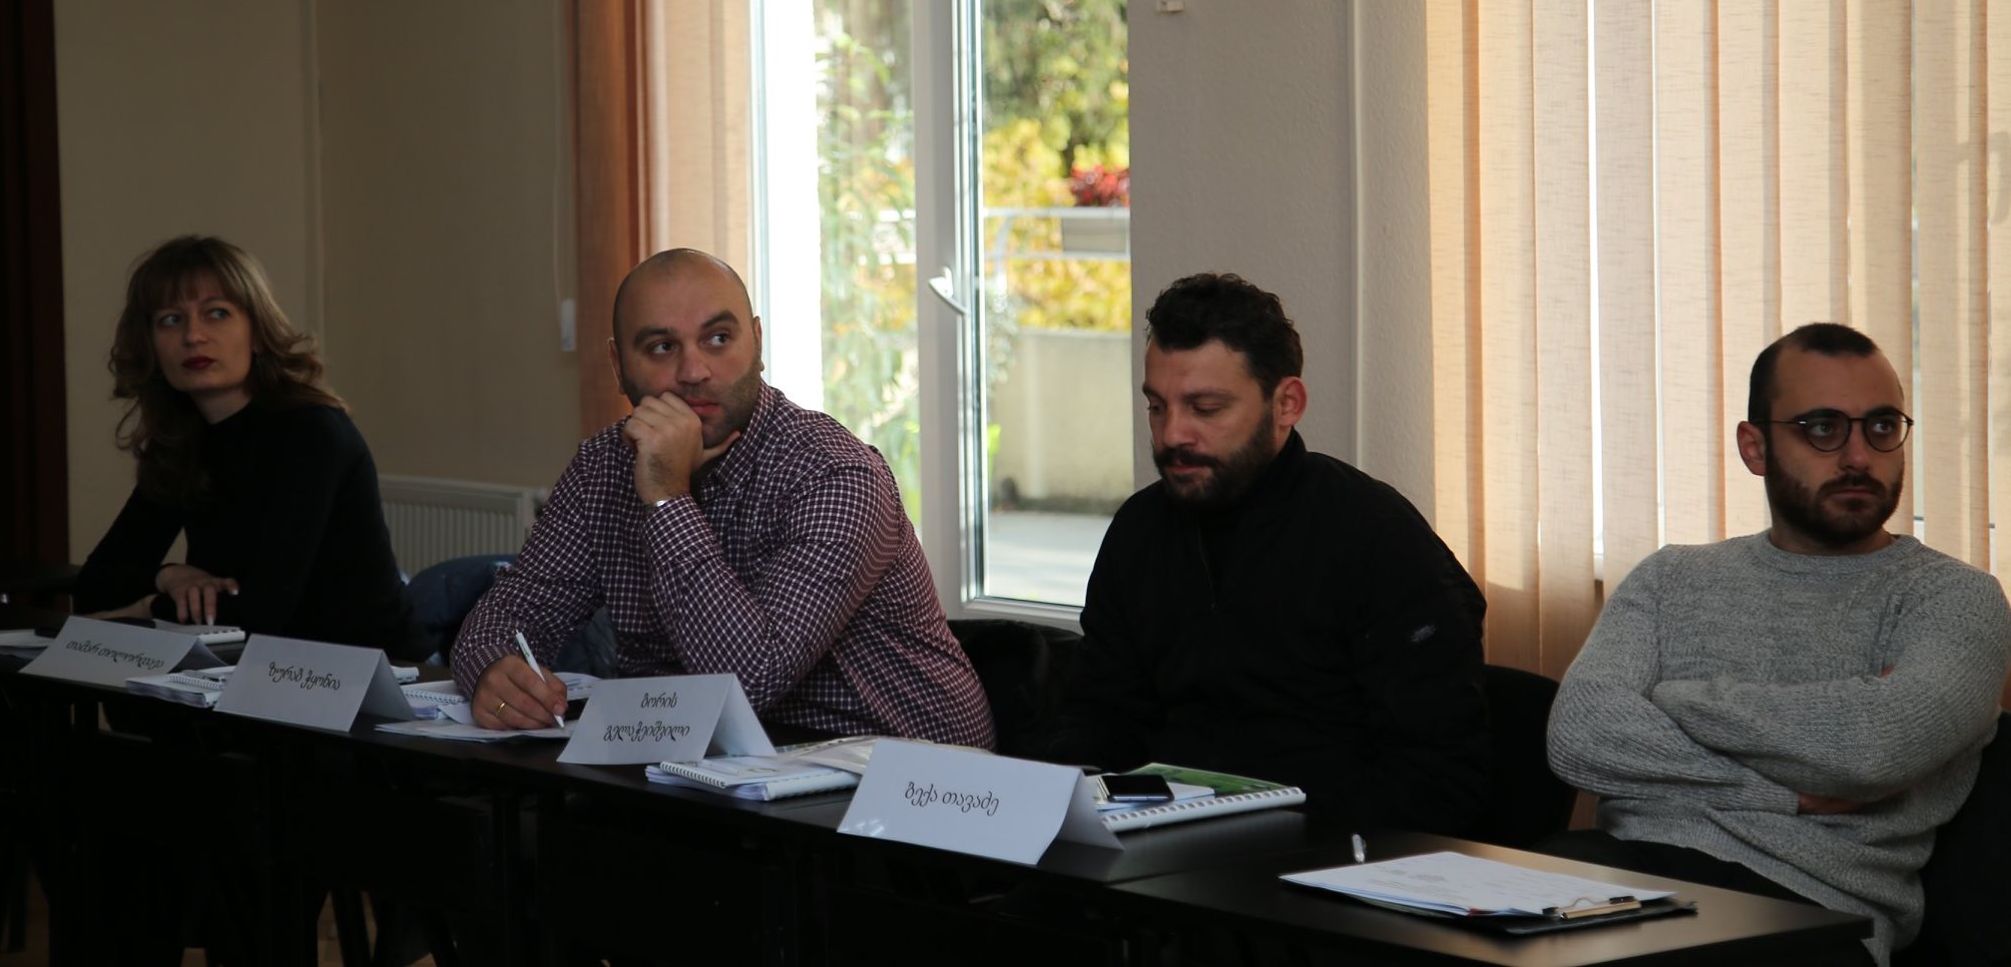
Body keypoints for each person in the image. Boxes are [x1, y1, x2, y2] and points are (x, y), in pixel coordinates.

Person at [1545, 322, 2011, 967]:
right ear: (1755, 447)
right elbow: (1581, 733)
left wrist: (1675, 700)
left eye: (1881, 427)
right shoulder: (1671, 576)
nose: (1858, 456)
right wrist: (1785, 793)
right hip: (1623, 870)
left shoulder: (1957, 598)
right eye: (1822, 428)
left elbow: (1873, 747)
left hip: (1809, 909)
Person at [454, 248, 993, 746]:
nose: (694, 372)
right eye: (662, 347)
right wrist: (491, 669)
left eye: (717, 339)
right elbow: (500, 620)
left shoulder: (835, 474)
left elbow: (747, 682)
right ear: (619, 367)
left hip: (901, 776)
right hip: (708, 770)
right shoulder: (602, 467)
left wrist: (666, 497)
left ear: (756, 342)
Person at [1047, 273, 1492, 834]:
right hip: (1159, 848)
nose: (1172, 435)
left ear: (1286, 404)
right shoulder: (1140, 531)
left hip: (1324, 856)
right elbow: (1097, 716)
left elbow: (1443, 779)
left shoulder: (1376, 537)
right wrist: (1074, 800)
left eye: (1205, 408)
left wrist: (1278, 832)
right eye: (1157, 407)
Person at [74, 235, 422, 657]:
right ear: (151, 344)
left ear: (257, 333)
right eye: (170, 320)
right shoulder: (183, 441)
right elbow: (93, 587)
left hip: (371, 673)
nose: (193, 336)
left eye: (217, 313)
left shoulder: (313, 433)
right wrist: (169, 576)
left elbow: (262, 614)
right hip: (251, 666)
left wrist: (146, 607)